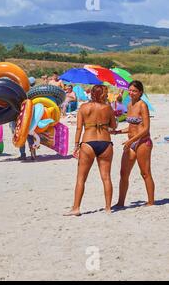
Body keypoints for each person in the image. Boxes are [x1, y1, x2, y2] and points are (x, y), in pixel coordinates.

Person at [64, 85, 117, 216]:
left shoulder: (83, 108)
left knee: (81, 178)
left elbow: (78, 129)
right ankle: (108, 208)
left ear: (92, 94)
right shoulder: (108, 108)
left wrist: (76, 146)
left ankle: (76, 208)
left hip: (88, 142)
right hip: (105, 143)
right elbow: (113, 127)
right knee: (106, 177)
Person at [112, 80, 155, 208]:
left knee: (145, 173)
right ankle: (120, 202)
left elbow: (146, 128)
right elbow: (131, 127)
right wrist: (117, 132)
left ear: (140, 92)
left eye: (134, 91)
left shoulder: (143, 105)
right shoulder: (129, 105)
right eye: (130, 90)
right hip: (130, 143)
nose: (131, 93)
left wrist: (130, 140)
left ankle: (151, 202)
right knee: (123, 173)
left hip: (143, 142)